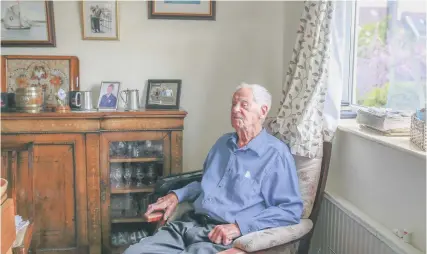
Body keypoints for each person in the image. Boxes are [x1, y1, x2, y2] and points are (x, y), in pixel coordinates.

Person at [124, 83, 303, 254]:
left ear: (263, 111)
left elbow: (290, 209)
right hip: (189, 225)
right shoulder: (223, 144)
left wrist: (239, 226)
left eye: (244, 105)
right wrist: (176, 195)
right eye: (233, 104)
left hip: (221, 239)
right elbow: (206, 184)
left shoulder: (275, 155)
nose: (235, 109)